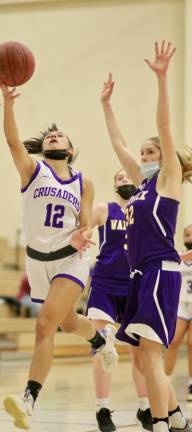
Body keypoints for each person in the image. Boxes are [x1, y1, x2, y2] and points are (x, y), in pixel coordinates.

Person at [0, 83, 118, 430]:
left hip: (70, 258)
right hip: (37, 260)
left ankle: (28, 401)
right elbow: (11, 141)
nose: (53, 136)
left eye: (60, 135)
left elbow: (85, 224)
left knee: (44, 325)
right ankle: (98, 339)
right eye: (50, 135)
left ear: (70, 149)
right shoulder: (32, 171)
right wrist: (8, 105)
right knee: (67, 323)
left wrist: (85, 234)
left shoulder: (84, 181)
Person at [100, 40, 192, 432]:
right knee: (142, 357)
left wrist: (161, 78)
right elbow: (118, 144)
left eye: (149, 152)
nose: (143, 156)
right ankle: (175, 416)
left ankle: (157, 423)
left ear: (165, 157)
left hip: (159, 269)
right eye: (143, 153)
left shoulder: (168, 180)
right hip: (141, 275)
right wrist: (106, 105)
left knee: (152, 355)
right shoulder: (140, 187)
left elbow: (165, 126)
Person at [87, 168, 152, 432]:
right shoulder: (105, 209)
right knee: (103, 345)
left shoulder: (146, 212)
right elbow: (81, 226)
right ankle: (102, 408)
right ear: (115, 186)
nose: (125, 180)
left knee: (139, 352)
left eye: (128, 177)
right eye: (119, 178)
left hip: (134, 285)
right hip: (104, 283)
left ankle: (145, 406)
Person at [165, 224, 192, 401]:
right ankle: (165, 381)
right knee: (173, 341)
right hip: (181, 303)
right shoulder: (178, 255)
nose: (189, 236)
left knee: (191, 343)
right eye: (187, 234)